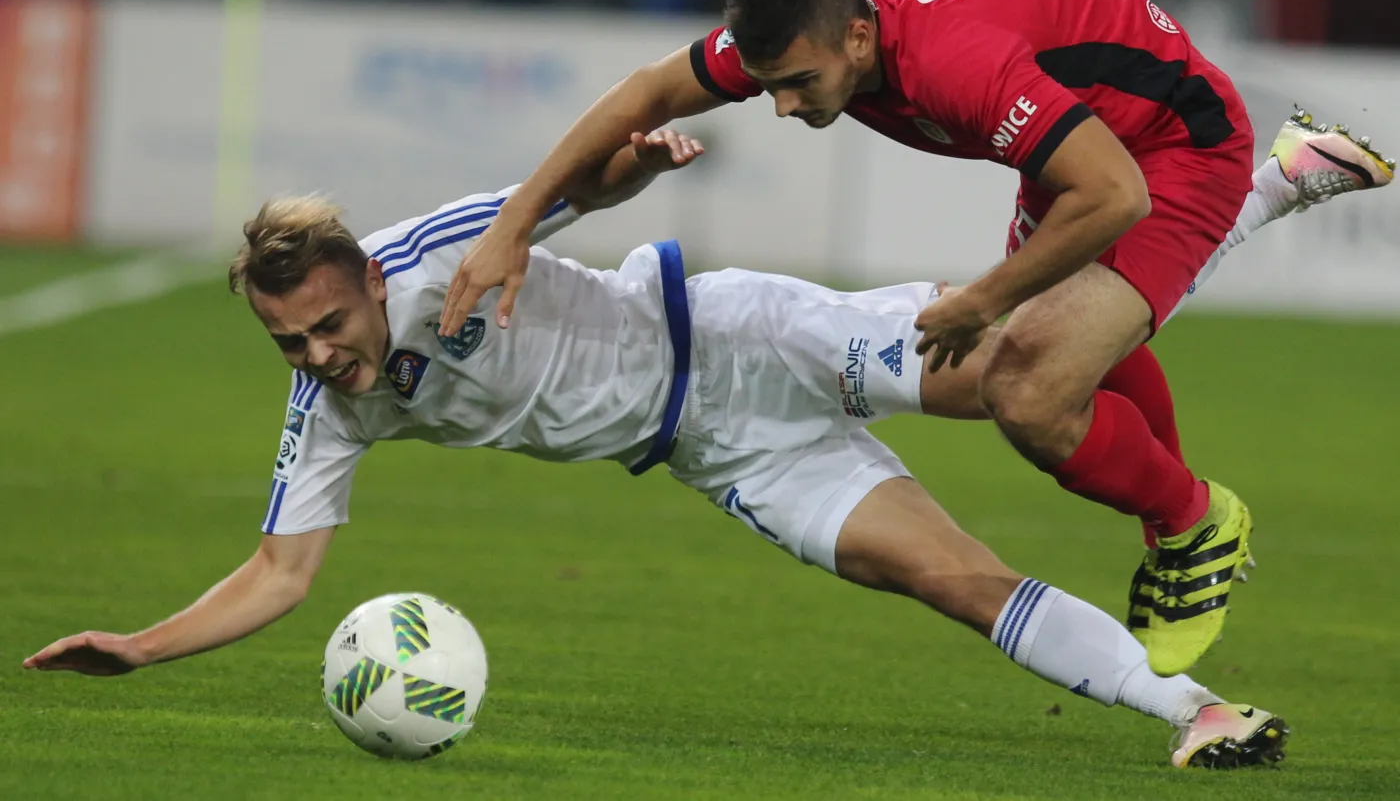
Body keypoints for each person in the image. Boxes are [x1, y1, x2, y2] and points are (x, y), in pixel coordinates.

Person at [26, 129, 1307, 769]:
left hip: (746, 336)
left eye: (324, 328)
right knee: (946, 580)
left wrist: (634, 163)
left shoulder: (427, 256)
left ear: (364, 278)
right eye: (286, 347)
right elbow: (279, 574)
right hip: (721, 456)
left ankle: (1262, 184)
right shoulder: (335, 406)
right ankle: (1193, 713)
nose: (316, 359)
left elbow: (561, 194)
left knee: (1035, 361)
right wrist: (137, 646)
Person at [435, 0, 1396, 677]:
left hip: (1171, 150)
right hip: (1079, 141)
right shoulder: (813, 14)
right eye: (766, 86)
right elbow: (650, 91)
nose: (780, 107)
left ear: (859, 38)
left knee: (1027, 386)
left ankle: (1195, 520)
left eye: (799, 85)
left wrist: (983, 299)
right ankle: (1281, 197)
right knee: (1065, 352)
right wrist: (516, 224)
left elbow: (1114, 198)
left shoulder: (954, 62)